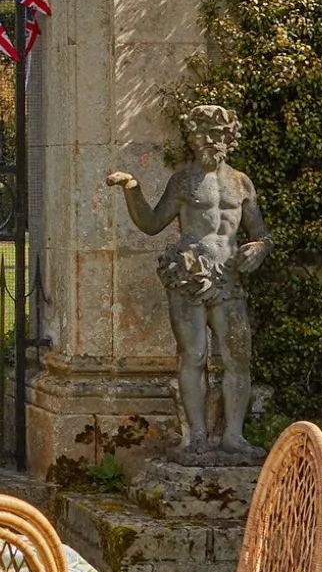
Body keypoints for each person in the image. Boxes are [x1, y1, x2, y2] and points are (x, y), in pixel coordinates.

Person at [107, 104, 269, 455]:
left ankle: (233, 436)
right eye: (203, 134)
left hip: (229, 277)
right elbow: (151, 224)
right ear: (192, 140)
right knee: (193, 355)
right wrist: (132, 188)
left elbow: (259, 233)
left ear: (229, 138)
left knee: (238, 357)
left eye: (218, 134)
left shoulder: (241, 183)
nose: (211, 140)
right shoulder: (182, 182)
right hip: (190, 276)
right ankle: (196, 435)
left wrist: (259, 248)